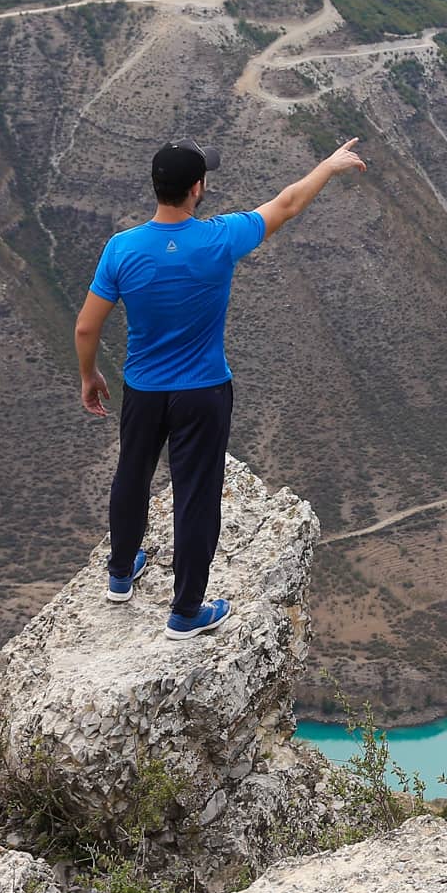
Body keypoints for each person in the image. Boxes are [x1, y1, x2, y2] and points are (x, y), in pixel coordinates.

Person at [75, 134, 366, 638]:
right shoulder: (219, 238)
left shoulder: (120, 249)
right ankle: (185, 612)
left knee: (132, 472)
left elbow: (86, 327)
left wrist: (89, 374)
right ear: (197, 188)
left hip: (143, 389)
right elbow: (289, 203)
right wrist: (328, 165)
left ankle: (121, 575)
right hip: (203, 392)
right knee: (196, 496)